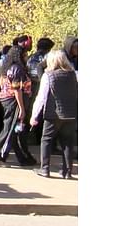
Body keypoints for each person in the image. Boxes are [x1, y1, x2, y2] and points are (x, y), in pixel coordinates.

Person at [31, 50, 78, 179]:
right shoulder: (74, 74)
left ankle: (45, 168)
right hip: (71, 113)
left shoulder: (48, 75)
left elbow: (41, 97)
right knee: (68, 142)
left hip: (53, 113)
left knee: (46, 140)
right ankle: (67, 171)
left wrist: (34, 115)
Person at [0, 45, 37, 167]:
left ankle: (22, 157)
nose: (26, 57)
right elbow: (17, 90)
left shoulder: (6, 68)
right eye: (25, 55)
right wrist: (21, 108)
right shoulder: (16, 69)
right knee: (8, 130)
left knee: (14, 131)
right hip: (13, 101)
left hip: (7, 99)